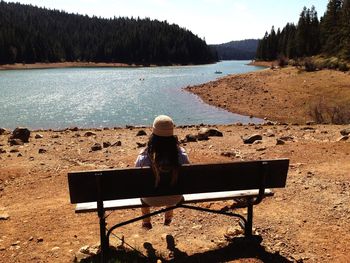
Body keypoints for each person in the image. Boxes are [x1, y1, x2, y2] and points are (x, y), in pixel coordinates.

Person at [135, 115, 190, 229]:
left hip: (149, 199)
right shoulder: (181, 155)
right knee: (171, 184)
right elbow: (186, 173)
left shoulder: (144, 156)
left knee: (144, 189)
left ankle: (146, 221)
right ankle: (168, 218)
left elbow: (136, 176)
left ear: (153, 134)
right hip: (175, 197)